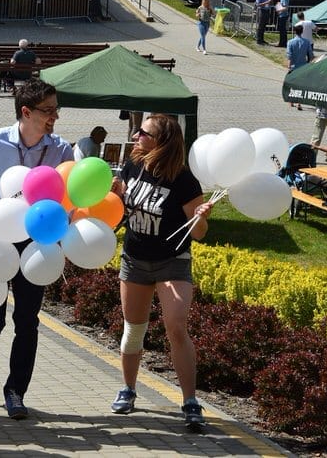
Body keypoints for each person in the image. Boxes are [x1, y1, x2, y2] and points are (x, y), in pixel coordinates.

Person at [0, 78, 74, 420]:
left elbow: (70, 196)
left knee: (27, 320)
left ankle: (16, 390)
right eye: (48, 111)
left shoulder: (61, 150)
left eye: (56, 109)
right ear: (26, 112)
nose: (54, 117)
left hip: (38, 240)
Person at [109, 113, 213, 432]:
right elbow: (115, 210)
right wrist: (110, 195)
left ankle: (190, 401)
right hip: (135, 259)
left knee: (176, 326)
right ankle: (128, 390)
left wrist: (199, 216)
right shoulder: (131, 167)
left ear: (162, 141)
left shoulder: (183, 180)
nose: (137, 135)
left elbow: (199, 234)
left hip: (172, 261)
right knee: (134, 329)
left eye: (144, 132)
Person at [286, 24, 313, 110]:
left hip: (294, 66)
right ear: (302, 32)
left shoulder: (290, 42)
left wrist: (289, 67)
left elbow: (289, 56)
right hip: (303, 66)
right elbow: (311, 55)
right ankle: (299, 102)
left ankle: (291, 101)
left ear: (294, 31)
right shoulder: (307, 42)